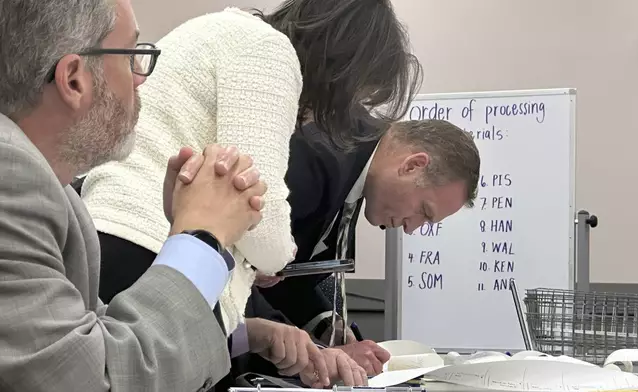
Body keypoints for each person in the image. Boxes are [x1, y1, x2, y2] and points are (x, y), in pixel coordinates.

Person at [79, 0, 420, 385]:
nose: (346, 111)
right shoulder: (268, 51)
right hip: (150, 250)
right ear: (347, 65)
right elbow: (262, 217)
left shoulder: (226, 34)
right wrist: (273, 261)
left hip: (127, 244)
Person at [0, 0, 278, 391]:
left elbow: (95, 344)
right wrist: (200, 237)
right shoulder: (12, 176)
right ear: (74, 79)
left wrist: (190, 233)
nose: (140, 78)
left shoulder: (53, 191)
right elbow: (99, 381)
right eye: (131, 55)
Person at [258, 117, 481, 368]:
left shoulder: (354, 171)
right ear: (413, 166)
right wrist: (317, 353)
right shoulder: (316, 157)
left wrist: (325, 327)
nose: (410, 228)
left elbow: (287, 278)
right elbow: (241, 273)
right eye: (424, 211)